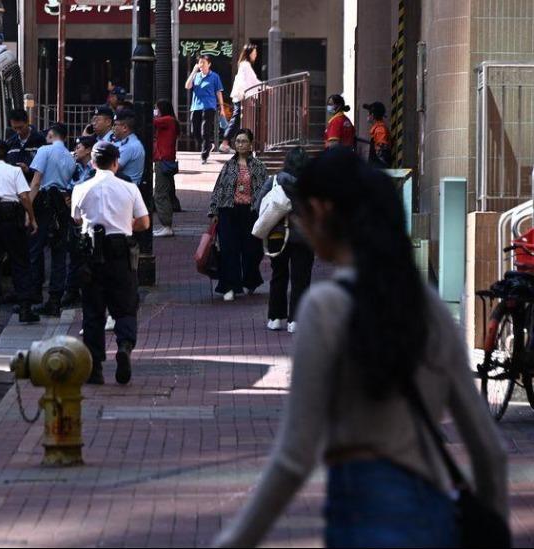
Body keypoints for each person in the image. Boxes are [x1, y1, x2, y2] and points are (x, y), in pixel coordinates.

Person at [212, 147, 508, 548]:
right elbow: (489, 451)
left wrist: (234, 541)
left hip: (363, 515)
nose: (299, 223)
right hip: (437, 514)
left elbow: (294, 457)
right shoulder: (429, 307)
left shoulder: (325, 307)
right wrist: (492, 527)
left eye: (300, 213)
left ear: (322, 210)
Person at [72, 141, 150, 386]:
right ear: (116, 163)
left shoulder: (81, 188)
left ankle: (94, 369)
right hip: (121, 253)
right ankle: (124, 346)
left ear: (93, 163)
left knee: (93, 312)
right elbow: (144, 222)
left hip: (91, 254)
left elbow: (76, 219)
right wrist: (125, 225)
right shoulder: (129, 188)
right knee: (126, 306)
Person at [0, 140, 40, 326]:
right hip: (12, 220)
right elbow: (24, 196)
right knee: (20, 263)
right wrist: (32, 218)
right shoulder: (15, 171)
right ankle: (25, 309)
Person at [255, 147, 313, 334]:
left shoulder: (274, 181)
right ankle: (295, 320)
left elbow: (258, 206)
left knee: (278, 276)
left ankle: (275, 318)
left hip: (277, 236)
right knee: (300, 279)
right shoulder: (313, 185)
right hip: (304, 238)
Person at [208, 128, 266, 301]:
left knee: (252, 250)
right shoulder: (228, 166)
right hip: (228, 211)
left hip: (251, 212)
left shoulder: (259, 166)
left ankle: (250, 281)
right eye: (238, 141)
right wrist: (214, 211)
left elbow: (265, 190)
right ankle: (229, 286)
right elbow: (218, 189)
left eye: (244, 141)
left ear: (251, 144)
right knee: (228, 250)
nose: (240, 144)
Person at [28, 123, 76, 316]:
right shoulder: (70, 157)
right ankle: (55, 299)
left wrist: (28, 209)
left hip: (44, 201)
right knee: (59, 252)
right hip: (62, 203)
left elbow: (36, 181)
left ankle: (33, 295)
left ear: (50, 134)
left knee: (35, 248)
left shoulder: (44, 151)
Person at [61, 135, 97, 309]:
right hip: (75, 216)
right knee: (74, 254)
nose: (76, 151)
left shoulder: (95, 169)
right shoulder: (75, 168)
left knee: (89, 255)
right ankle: (72, 291)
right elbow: (69, 186)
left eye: (79, 147)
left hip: (90, 216)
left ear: (89, 150)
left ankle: (88, 291)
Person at [220, 44, 262, 154]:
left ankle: (234, 144)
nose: (255, 55)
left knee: (239, 121)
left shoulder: (245, 65)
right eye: (254, 53)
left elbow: (253, 81)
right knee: (236, 120)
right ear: (249, 53)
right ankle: (225, 143)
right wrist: (244, 93)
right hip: (241, 97)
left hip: (242, 96)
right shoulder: (245, 65)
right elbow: (245, 81)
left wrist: (265, 87)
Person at [185, 53, 226, 163]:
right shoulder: (196, 76)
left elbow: (219, 92)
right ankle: (208, 146)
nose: (201, 65)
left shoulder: (215, 77)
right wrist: (194, 71)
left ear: (209, 64)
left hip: (209, 107)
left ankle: (204, 156)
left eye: (204, 62)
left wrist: (222, 108)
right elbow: (187, 86)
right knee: (195, 131)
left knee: (205, 131)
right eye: (200, 62)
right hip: (195, 107)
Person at [153, 99, 181, 237]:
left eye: (157, 108)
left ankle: (166, 225)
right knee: (164, 192)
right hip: (165, 160)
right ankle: (166, 225)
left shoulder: (168, 120)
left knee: (160, 194)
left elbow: (152, 122)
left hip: (163, 160)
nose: (156, 111)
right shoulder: (170, 121)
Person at [5, 109, 47, 182]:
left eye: (20, 127)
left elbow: (46, 168)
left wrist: (28, 170)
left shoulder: (41, 141)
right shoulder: (10, 143)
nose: (18, 131)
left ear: (27, 122)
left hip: (34, 185)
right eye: (15, 128)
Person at [111, 109, 145, 185]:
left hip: (126, 188)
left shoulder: (130, 146)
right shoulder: (126, 142)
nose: (113, 128)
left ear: (125, 128)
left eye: (115, 125)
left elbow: (110, 168)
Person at [362, 101, 392, 168]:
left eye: (369, 113)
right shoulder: (378, 128)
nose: (367, 115)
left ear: (372, 115)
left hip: (379, 166)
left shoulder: (380, 129)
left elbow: (382, 152)